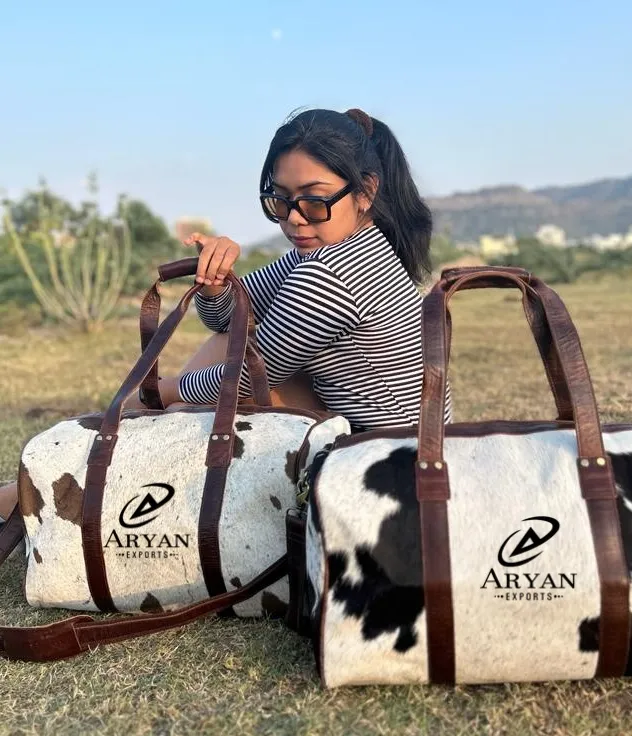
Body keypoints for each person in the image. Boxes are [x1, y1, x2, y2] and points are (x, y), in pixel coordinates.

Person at [0, 107, 452, 525]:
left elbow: (240, 378)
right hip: (384, 443)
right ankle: (68, 478)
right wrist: (218, 282)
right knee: (186, 399)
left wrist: (160, 392)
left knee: (177, 414)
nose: (295, 220)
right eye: (280, 201)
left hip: (381, 470)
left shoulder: (333, 274)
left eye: (314, 201)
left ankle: (51, 490)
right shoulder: (332, 249)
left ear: (366, 191)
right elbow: (226, 323)